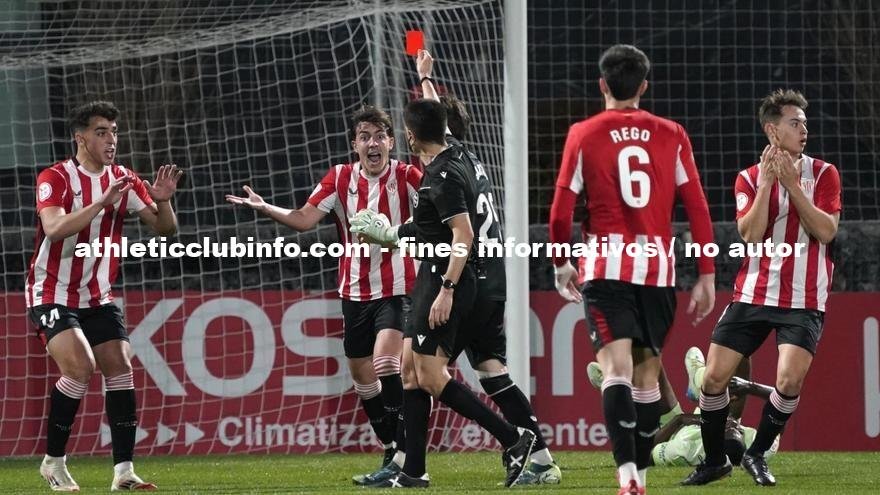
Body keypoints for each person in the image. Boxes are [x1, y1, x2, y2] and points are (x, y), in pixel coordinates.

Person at [351, 49, 560, 487]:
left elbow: (460, 236)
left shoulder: (440, 178)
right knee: (474, 369)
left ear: (408, 136)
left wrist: (444, 287)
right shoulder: (460, 151)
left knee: (426, 372)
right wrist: (426, 77)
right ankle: (418, 469)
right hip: (489, 278)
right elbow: (436, 120)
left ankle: (512, 440)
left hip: (455, 277)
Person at [548, 44, 716, 495]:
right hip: (658, 271)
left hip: (605, 265)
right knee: (645, 377)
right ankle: (639, 478)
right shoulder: (672, 133)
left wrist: (561, 262)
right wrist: (706, 273)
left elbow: (561, 212)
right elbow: (697, 206)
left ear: (602, 84)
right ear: (643, 86)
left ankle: (628, 480)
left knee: (616, 370)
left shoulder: (584, 134)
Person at [226, 107, 420, 474]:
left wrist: (406, 231)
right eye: (365, 136)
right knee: (362, 376)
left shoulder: (408, 175)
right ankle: (393, 446)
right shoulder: (340, 178)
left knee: (384, 362)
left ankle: (404, 455)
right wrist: (264, 206)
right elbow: (303, 219)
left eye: (380, 135)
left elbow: (432, 214)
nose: (373, 143)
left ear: (391, 142)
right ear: (355, 145)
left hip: (398, 288)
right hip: (354, 293)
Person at [683, 89, 841, 487]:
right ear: (772, 129)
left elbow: (826, 230)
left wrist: (794, 184)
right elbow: (750, 236)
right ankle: (715, 460)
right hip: (753, 294)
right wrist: (771, 182)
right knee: (712, 380)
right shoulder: (748, 178)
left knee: (789, 381)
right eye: (795, 122)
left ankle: (757, 455)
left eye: (805, 122)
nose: (804, 129)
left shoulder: (824, 173)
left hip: (804, 298)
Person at [27, 100, 182, 491]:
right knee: (80, 367)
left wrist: (162, 199)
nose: (111, 140)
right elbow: (55, 228)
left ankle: (124, 472)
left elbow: (165, 230)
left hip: (97, 295)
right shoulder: (56, 177)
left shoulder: (123, 178)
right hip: (51, 292)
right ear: (80, 137)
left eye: (114, 131)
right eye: (101, 132)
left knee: (121, 368)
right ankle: (53, 463)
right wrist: (102, 202)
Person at [585, 347, 779, 468]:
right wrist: (751, 387)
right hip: (706, 414)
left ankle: (613, 385)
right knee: (742, 352)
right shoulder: (755, 445)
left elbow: (644, 454)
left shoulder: (683, 451)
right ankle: (701, 381)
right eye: (737, 430)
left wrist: (680, 420)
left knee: (652, 360)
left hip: (676, 428)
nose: (734, 426)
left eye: (729, 429)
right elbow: (781, 405)